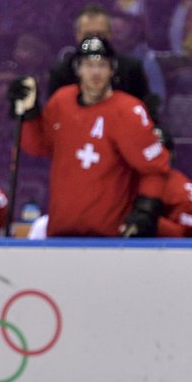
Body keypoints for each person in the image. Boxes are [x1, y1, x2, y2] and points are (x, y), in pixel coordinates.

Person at [10, 36, 170, 238]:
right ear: (78, 69)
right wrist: (29, 116)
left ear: (112, 70)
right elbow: (38, 147)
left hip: (110, 238)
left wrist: (145, 212)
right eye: (88, 65)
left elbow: (155, 169)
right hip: (60, 232)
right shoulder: (61, 102)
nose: (95, 72)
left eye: (102, 65)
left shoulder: (129, 111)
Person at [47, 4, 152, 108]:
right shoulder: (61, 73)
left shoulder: (131, 69)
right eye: (88, 35)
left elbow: (146, 113)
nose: (94, 41)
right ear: (77, 35)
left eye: (100, 35)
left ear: (110, 35)